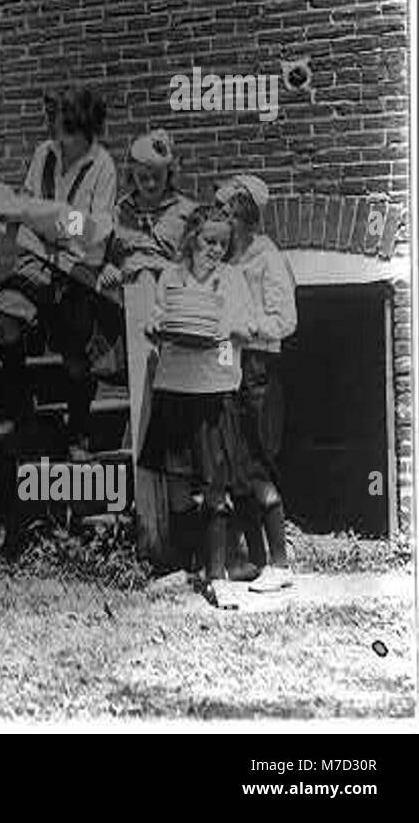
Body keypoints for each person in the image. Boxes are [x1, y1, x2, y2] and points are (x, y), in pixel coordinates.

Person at [0, 86, 118, 454]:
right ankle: (20, 406)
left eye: (68, 129)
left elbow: (94, 230)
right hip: (35, 258)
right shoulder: (44, 154)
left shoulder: (103, 165)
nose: (61, 138)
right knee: (4, 318)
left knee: (76, 360)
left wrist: (52, 218)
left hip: (77, 272)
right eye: (57, 128)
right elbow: (26, 204)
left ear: (85, 128)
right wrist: (32, 215)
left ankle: (78, 429)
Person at [139, 205, 256, 609]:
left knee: (214, 484)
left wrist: (221, 336)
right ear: (191, 239)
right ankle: (186, 563)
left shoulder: (234, 279)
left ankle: (217, 570)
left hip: (212, 390)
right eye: (210, 241)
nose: (217, 250)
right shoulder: (170, 276)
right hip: (174, 387)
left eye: (224, 243)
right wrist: (153, 327)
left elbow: (246, 329)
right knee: (175, 484)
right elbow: (157, 319)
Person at [217, 174, 298, 594]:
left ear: (245, 216)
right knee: (236, 464)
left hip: (259, 369)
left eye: (227, 214)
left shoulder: (268, 257)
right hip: (230, 368)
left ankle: (281, 565)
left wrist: (248, 328)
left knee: (258, 461)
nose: (221, 222)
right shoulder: (226, 262)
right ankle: (253, 562)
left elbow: (286, 321)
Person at [98, 129, 196, 289]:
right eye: (143, 177)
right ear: (132, 176)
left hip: (170, 292)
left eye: (157, 176)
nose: (151, 184)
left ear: (169, 173)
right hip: (125, 291)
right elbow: (99, 253)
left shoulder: (187, 212)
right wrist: (106, 267)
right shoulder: (119, 212)